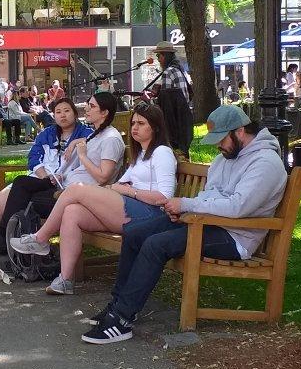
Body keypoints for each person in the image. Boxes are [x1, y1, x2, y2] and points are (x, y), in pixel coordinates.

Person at [80, 105, 287, 345]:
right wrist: (186, 210)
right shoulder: (225, 158)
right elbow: (211, 196)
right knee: (135, 232)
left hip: (236, 237)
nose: (217, 146)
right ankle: (118, 304)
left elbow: (238, 207)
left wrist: (188, 205)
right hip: (207, 224)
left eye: (221, 139)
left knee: (156, 245)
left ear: (240, 132)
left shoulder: (266, 163)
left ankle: (122, 319)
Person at [10, 104, 177, 295]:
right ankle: (65, 280)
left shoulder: (162, 152)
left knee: (75, 190)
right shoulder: (140, 156)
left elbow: (165, 197)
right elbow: (120, 185)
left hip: (149, 216)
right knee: (72, 212)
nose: (135, 128)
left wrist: (130, 192)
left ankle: (41, 238)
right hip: (127, 210)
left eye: (141, 123)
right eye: (133, 123)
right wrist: (118, 190)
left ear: (155, 127)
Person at [0, 98, 93, 254]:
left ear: (75, 113)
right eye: (58, 112)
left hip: (64, 184)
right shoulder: (47, 133)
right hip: (38, 179)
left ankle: (12, 243)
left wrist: (75, 143)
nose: (62, 115)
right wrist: (45, 176)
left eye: (67, 111)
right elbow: (33, 158)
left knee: (21, 193)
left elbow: (96, 141)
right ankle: (11, 241)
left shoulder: (86, 133)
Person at [151, 41, 193, 156]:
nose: (158, 59)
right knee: (182, 153)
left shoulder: (168, 72)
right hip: (184, 116)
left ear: (164, 56)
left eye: (158, 56)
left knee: (172, 151)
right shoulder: (180, 69)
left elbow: (167, 101)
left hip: (174, 119)